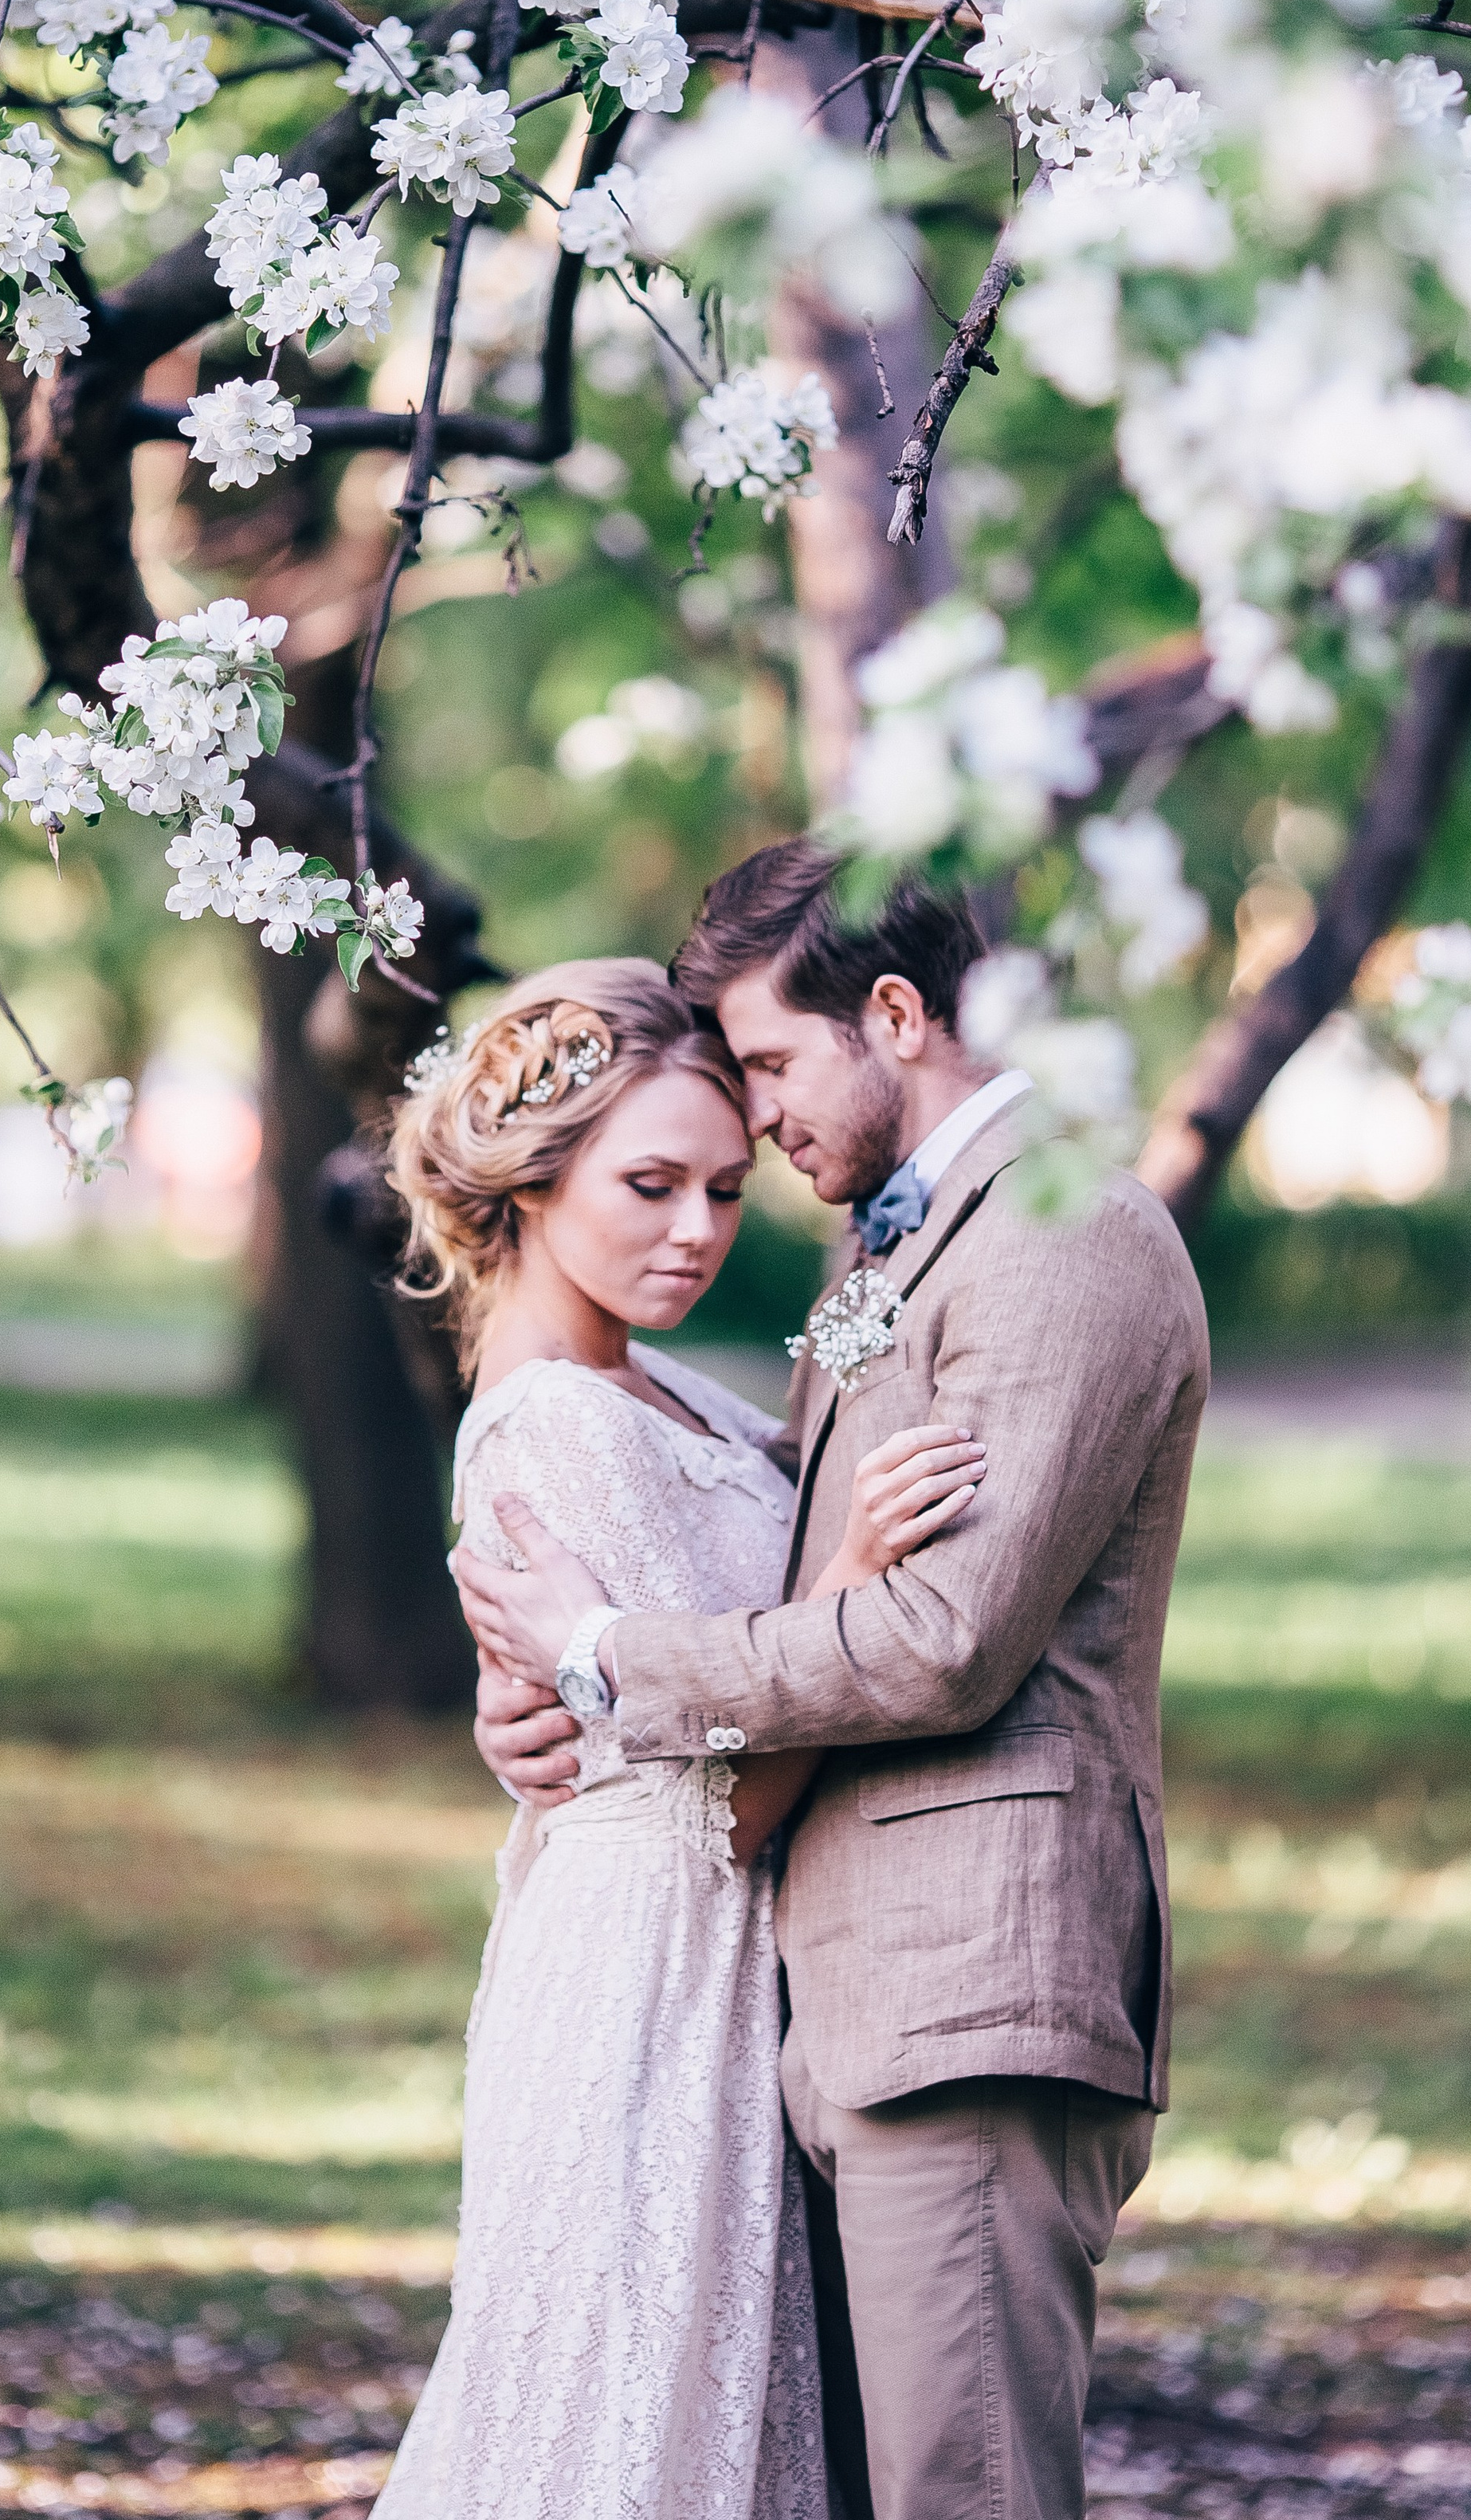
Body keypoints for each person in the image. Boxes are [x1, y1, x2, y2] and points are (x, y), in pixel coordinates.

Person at [457, 842, 1211, 2520]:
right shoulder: (904, 1247)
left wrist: (604, 1661)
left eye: (775, 1067)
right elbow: (786, 1559)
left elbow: (941, 1637)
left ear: (895, 1014)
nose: (763, 1119)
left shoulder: (1058, 1229)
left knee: (966, 2494)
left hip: (970, 1987)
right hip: (832, 2001)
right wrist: (548, 1713)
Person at [374, 955, 989, 2520]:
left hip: (707, 1955)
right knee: (621, 2423)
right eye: (649, 1187)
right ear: (529, 1179)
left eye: (723, 1189)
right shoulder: (550, 1422)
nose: (697, 1233)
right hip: (648, 1970)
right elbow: (721, 1806)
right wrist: (853, 1587)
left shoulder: (650, 1384)